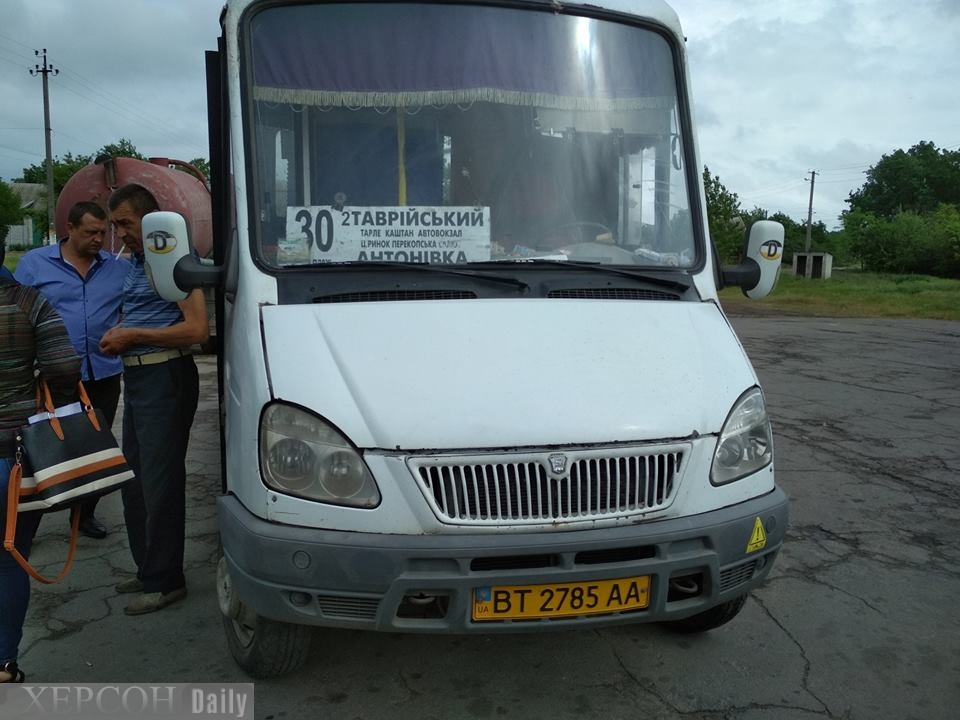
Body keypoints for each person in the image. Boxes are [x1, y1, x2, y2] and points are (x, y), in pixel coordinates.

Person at [100, 183, 208, 616]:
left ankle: (166, 581)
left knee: (160, 484)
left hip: (167, 375)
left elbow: (197, 329)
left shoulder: (177, 261)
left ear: (149, 221)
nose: (119, 233)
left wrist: (134, 335)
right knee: (135, 482)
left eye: (124, 223)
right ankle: (149, 568)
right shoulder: (137, 261)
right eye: (114, 225)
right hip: (140, 379)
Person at [14, 202, 130, 539]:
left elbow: (131, 309)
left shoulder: (117, 269)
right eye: (90, 232)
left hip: (103, 374)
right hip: (49, 377)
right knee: (39, 449)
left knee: (94, 448)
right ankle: (25, 526)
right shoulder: (35, 265)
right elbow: (16, 310)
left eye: (102, 233)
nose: (98, 239)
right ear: (70, 227)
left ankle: (83, 517)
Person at [1, 274, 81, 682]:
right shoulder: (29, 303)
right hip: (13, 458)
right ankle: (3, 664)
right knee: (10, 559)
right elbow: (65, 366)